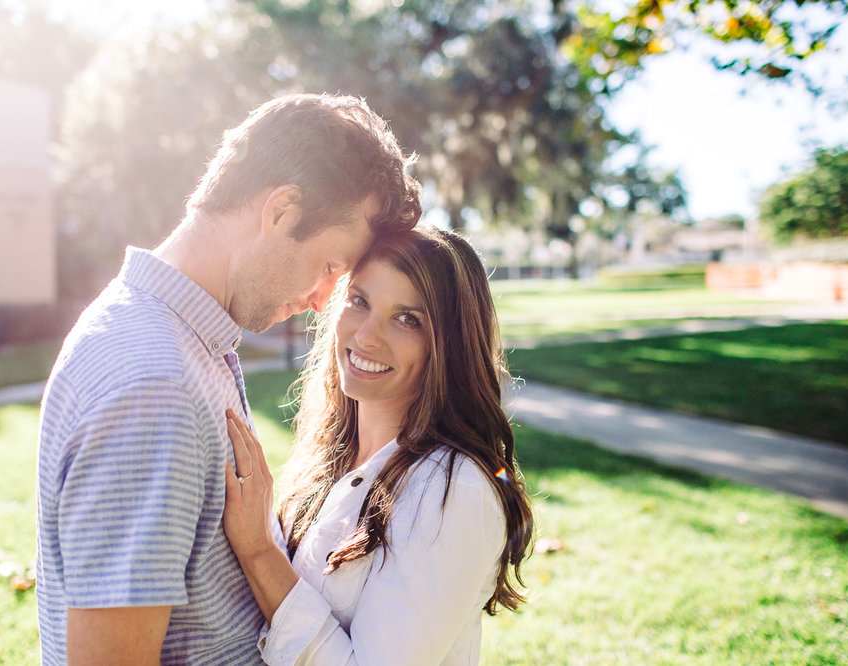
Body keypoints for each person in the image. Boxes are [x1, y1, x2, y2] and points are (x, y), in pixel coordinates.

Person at [35, 93, 421, 665]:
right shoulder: (155, 386)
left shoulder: (181, 340)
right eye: (331, 267)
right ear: (282, 211)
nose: (323, 301)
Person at [223, 225, 534, 664]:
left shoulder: (452, 490)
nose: (367, 336)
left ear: (448, 347)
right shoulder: (331, 453)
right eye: (359, 301)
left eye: (408, 319)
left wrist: (258, 551)